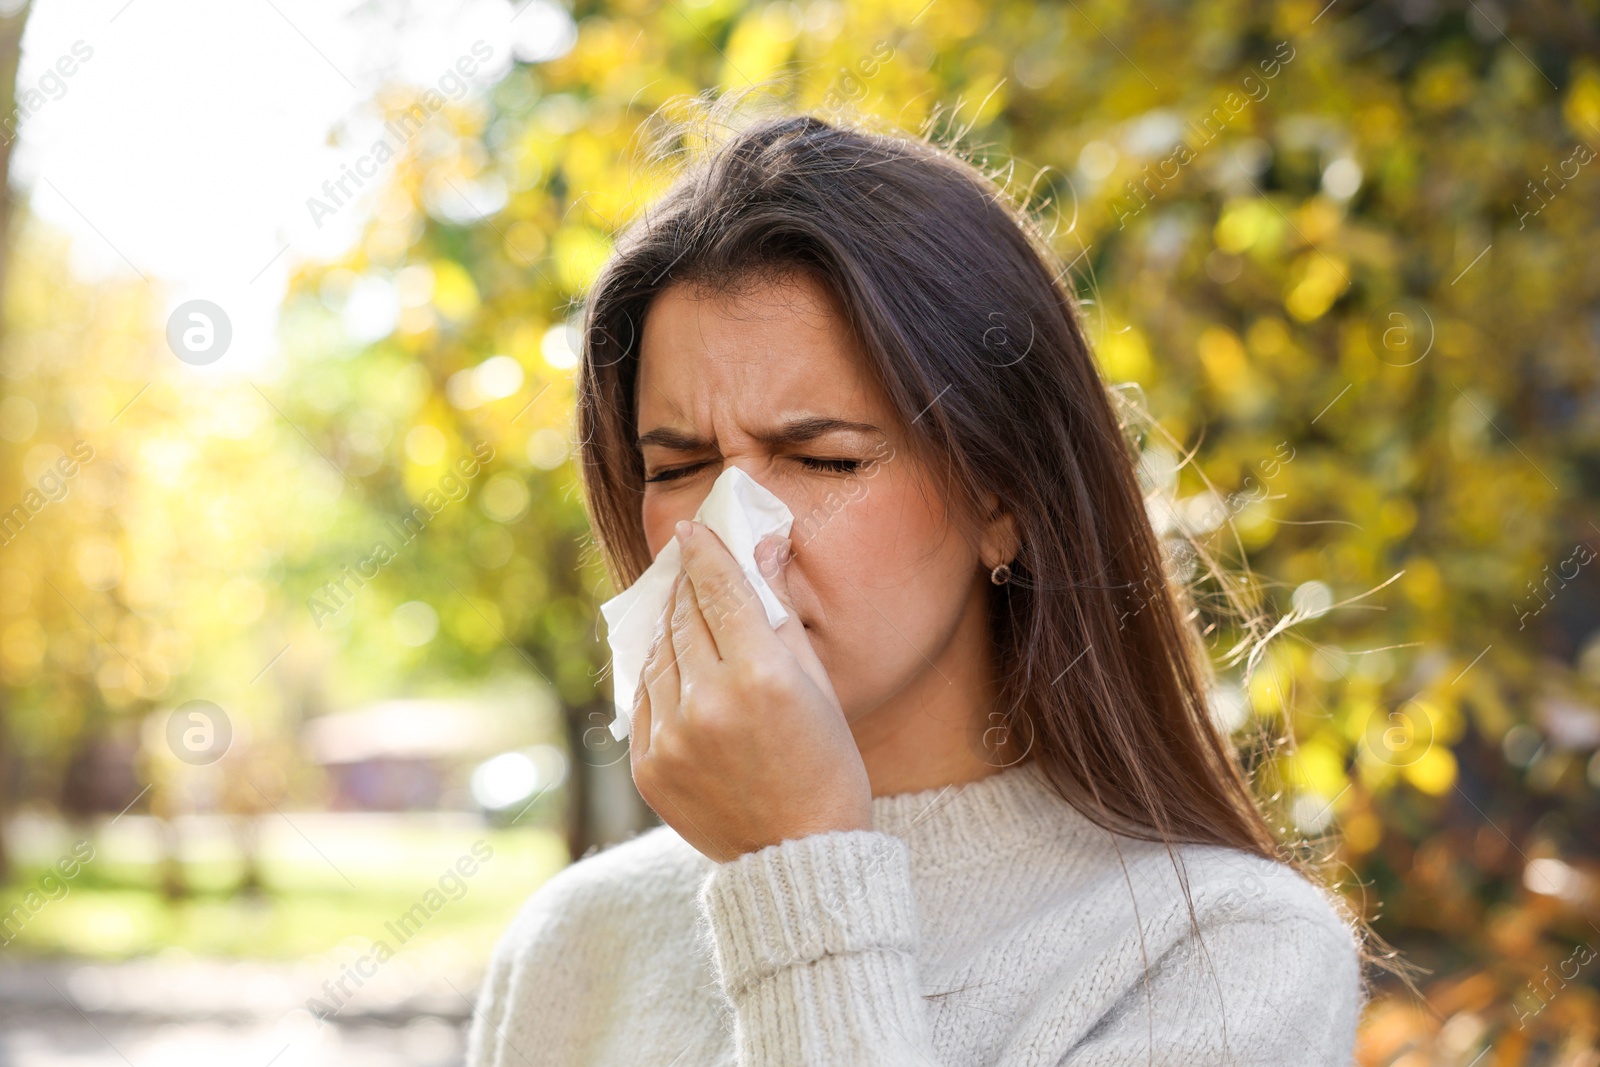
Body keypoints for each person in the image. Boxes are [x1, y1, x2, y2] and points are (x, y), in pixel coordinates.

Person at [466, 107, 1369, 1066]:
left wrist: (802, 871)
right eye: (680, 467)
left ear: (1002, 496)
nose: (736, 541)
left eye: (822, 460)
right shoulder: (576, 943)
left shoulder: (1223, 953)